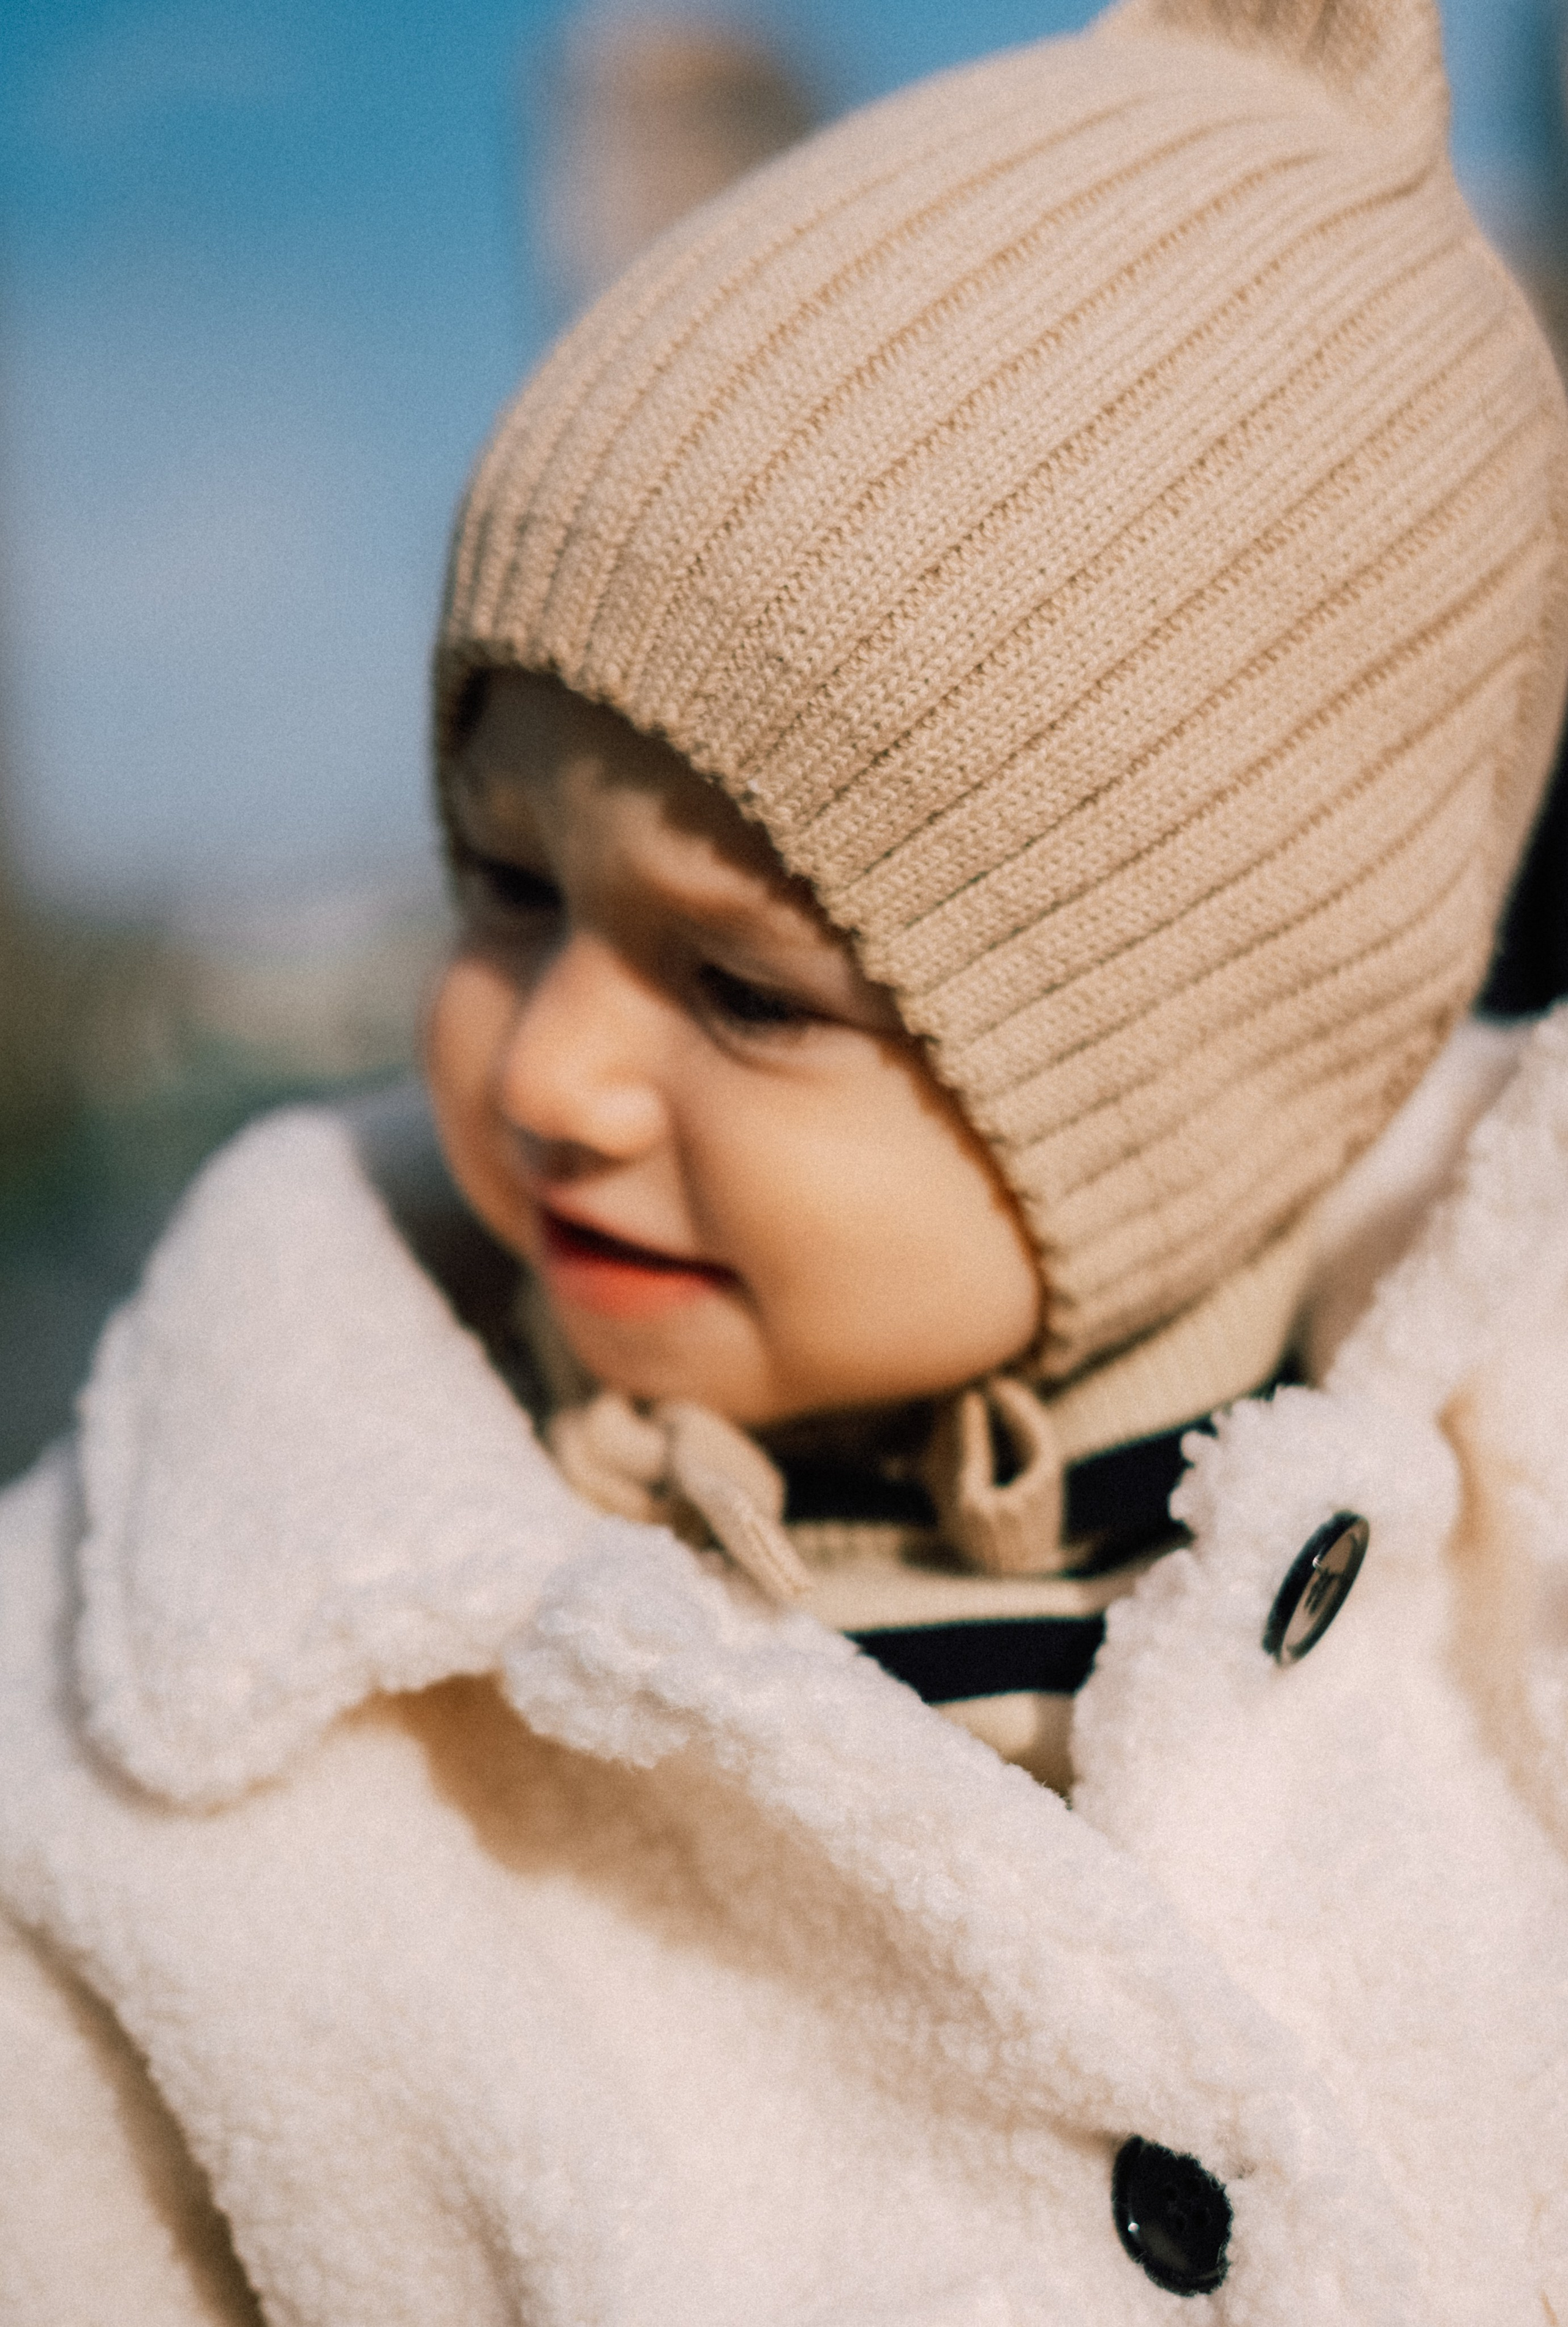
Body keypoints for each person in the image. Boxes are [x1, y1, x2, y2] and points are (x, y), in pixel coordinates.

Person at [3, 0, 1568, 2318]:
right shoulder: (163, 1766)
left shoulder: (1513, 1537)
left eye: (744, 992)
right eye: (502, 896)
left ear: (1218, 1063)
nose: (556, 1076)